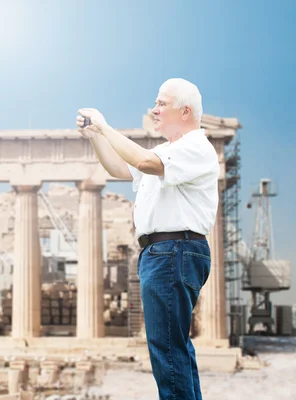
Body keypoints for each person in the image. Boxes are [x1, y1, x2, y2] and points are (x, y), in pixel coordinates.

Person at [76, 78, 219, 400]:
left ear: (185, 111)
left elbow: (142, 162)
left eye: (161, 103)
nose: (154, 109)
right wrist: (95, 136)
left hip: (173, 250)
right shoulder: (168, 152)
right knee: (174, 344)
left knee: (166, 347)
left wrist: (105, 125)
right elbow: (118, 167)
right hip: (165, 252)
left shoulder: (195, 147)